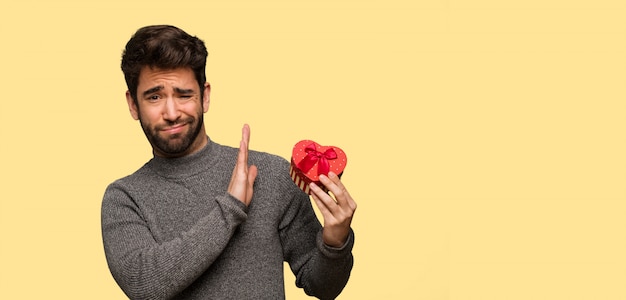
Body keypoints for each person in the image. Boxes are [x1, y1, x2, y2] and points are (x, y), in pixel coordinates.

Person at [101, 25, 357, 300]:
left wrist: (335, 241)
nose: (172, 112)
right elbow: (145, 286)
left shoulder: (271, 175)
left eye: (184, 94)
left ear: (205, 95)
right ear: (133, 105)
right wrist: (231, 207)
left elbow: (322, 286)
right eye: (154, 96)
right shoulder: (124, 199)